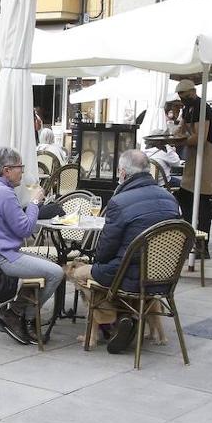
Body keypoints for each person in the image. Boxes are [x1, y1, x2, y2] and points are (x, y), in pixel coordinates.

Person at [65, 150, 181, 354]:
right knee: (108, 270)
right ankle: (128, 317)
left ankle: (110, 324)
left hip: (127, 275)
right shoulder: (171, 199)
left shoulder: (120, 202)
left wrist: (95, 262)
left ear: (123, 173)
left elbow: (104, 252)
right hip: (163, 276)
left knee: (79, 274)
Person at [0, 146, 64, 344]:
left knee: (43, 264)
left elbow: (11, 224)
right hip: (0, 258)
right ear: (7, 170)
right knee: (56, 272)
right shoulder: (4, 193)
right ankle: (22, 316)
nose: (23, 170)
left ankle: (17, 312)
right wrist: (36, 202)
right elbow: (26, 229)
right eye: (20, 166)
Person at [171, 79, 212, 242]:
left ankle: (202, 242)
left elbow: (201, 137)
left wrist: (179, 141)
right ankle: (190, 232)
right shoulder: (188, 108)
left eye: (183, 95)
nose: (181, 98)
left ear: (192, 92)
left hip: (205, 156)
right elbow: (180, 128)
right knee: (185, 195)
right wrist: (171, 136)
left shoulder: (202, 107)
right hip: (192, 155)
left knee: (202, 199)